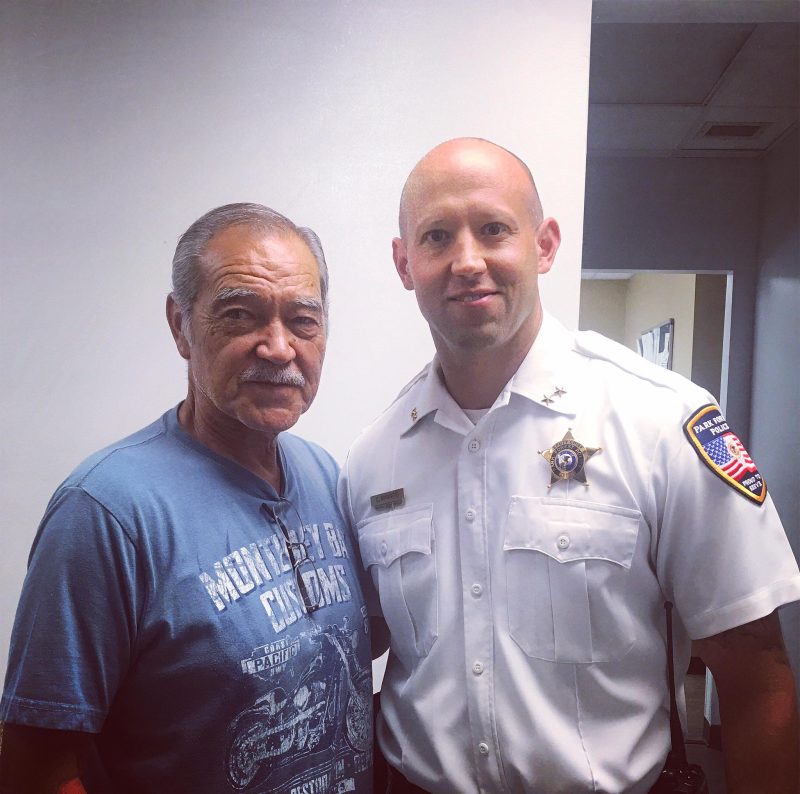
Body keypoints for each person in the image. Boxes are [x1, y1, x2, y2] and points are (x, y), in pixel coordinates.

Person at [338, 138, 800, 793]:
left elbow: (758, 682)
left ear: (544, 244)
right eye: (437, 236)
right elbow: (359, 650)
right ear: (404, 262)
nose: (467, 261)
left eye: (494, 229)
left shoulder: (659, 420)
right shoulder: (374, 458)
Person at [0, 203, 378, 793]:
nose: (278, 347)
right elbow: (38, 767)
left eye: (303, 320)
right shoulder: (106, 512)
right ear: (181, 325)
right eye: (239, 316)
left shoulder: (328, 477)